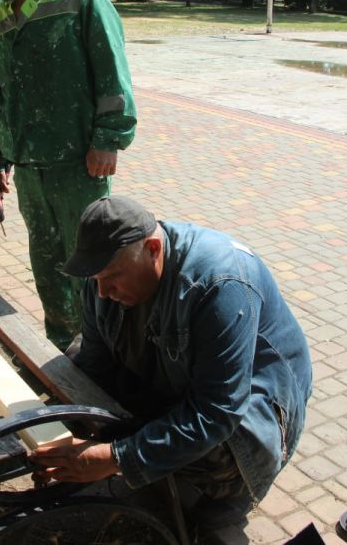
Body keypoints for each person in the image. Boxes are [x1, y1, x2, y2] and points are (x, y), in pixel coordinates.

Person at [30, 196, 313, 545]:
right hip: (186, 379)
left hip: (254, 410)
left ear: (152, 248)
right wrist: (80, 428)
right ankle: (152, 442)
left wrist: (117, 456)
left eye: (113, 277)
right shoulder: (104, 280)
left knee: (220, 448)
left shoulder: (220, 283)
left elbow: (217, 412)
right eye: (97, 279)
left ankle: (231, 492)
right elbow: (94, 363)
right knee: (74, 359)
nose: (102, 291)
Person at [0, 0, 137, 350]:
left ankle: (105, 357)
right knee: (48, 269)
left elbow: (111, 66)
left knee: (94, 267)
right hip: (29, 173)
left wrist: (108, 138)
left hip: (80, 164)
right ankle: (64, 355)